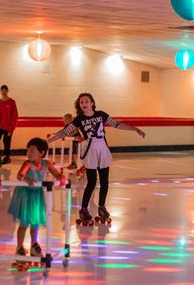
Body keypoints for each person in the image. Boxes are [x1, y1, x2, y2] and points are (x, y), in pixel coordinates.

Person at [48, 93, 145, 223]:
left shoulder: (101, 115)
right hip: (90, 149)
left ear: (92, 103)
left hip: (102, 148)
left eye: (86, 101)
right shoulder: (79, 119)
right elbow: (65, 132)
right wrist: (49, 140)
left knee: (105, 182)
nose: (84, 104)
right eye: (81, 102)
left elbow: (117, 124)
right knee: (92, 182)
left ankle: (102, 207)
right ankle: (83, 209)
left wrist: (135, 129)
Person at [8, 138, 65, 258]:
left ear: (42, 152)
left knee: (35, 222)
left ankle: (34, 244)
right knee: (24, 222)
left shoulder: (47, 164)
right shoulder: (28, 164)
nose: (28, 153)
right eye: (27, 151)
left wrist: (61, 177)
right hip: (25, 195)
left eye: (32, 151)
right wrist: (26, 179)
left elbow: (56, 174)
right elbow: (20, 175)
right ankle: (19, 246)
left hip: (37, 195)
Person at [0, 85, 18, 168]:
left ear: (7, 91)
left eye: (5, 90)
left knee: (6, 142)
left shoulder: (12, 102)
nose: (4, 91)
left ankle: (6, 157)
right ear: (0, 91)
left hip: (8, 126)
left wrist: (11, 128)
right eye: (2, 90)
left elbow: (14, 115)